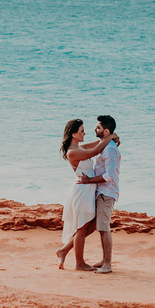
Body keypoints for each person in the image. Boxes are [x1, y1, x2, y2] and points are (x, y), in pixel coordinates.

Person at [55, 119, 117, 270]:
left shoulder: (79, 147)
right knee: (82, 228)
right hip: (82, 191)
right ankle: (79, 263)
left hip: (89, 190)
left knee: (90, 226)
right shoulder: (73, 152)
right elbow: (95, 151)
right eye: (82, 131)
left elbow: (96, 145)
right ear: (74, 134)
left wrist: (109, 137)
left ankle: (63, 251)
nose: (85, 133)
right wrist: (111, 136)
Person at [75, 115, 120, 274]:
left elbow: (110, 175)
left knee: (104, 228)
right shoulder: (104, 145)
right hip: (101, 192)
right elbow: (88, 149)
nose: (95, 130)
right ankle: (104, 260)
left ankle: (108, 264)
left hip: (106, 193)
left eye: (98, 128)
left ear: (106, 131)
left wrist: (88, 181)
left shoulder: (110, 149)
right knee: (101, 227)